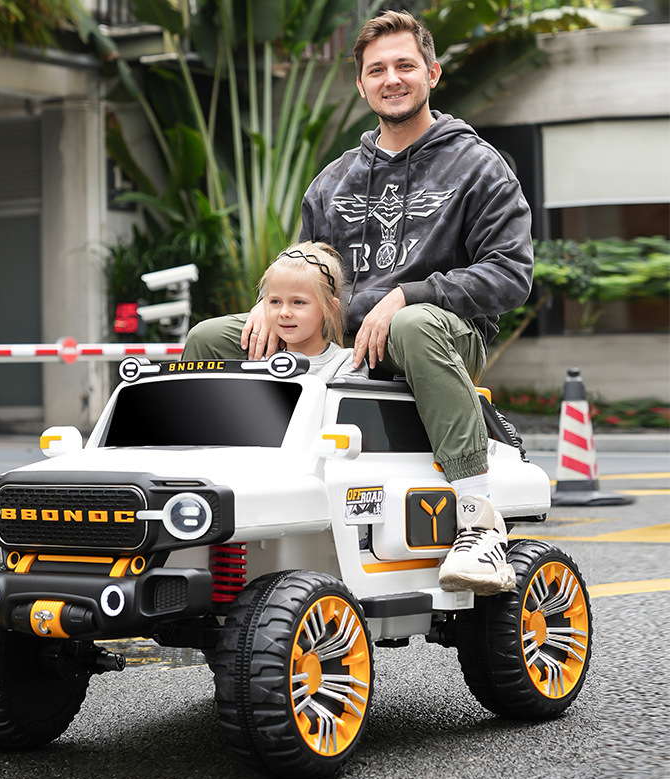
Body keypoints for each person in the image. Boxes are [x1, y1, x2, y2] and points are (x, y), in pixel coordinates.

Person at [184, 10, 534, 595]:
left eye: (405, 65)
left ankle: (478, 521)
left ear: (433, 72)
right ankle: (214, 501)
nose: (391, 79)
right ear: (362, 83)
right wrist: (273, 309)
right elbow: (307, 271)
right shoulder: (333, 180)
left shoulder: (479, 166)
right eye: (378, 70)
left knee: (414, 325)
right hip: (342, 332)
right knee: (211, 337)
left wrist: (406, 294)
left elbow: (511, 275)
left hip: (440, 336)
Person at [186, 242, 367, 381]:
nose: (284, 313)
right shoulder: (256, 364)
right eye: (275, 301)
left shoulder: (347, 364)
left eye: (298, 302)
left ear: (329, 307)